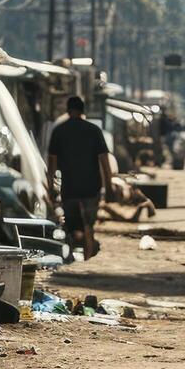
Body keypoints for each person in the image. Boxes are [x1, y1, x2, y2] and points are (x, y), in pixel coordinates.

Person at [47, 95, 114, 258]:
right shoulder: (94, 130)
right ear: (83, 111)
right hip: (92, 187)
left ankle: (69, 255)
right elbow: (104, 161)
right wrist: (108, 186)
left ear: (68, 110)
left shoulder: (59, 131)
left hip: (70, 188)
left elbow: (52, 163)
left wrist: (51, 187)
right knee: (88, 226)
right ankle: (88, 255)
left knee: (71, 226)